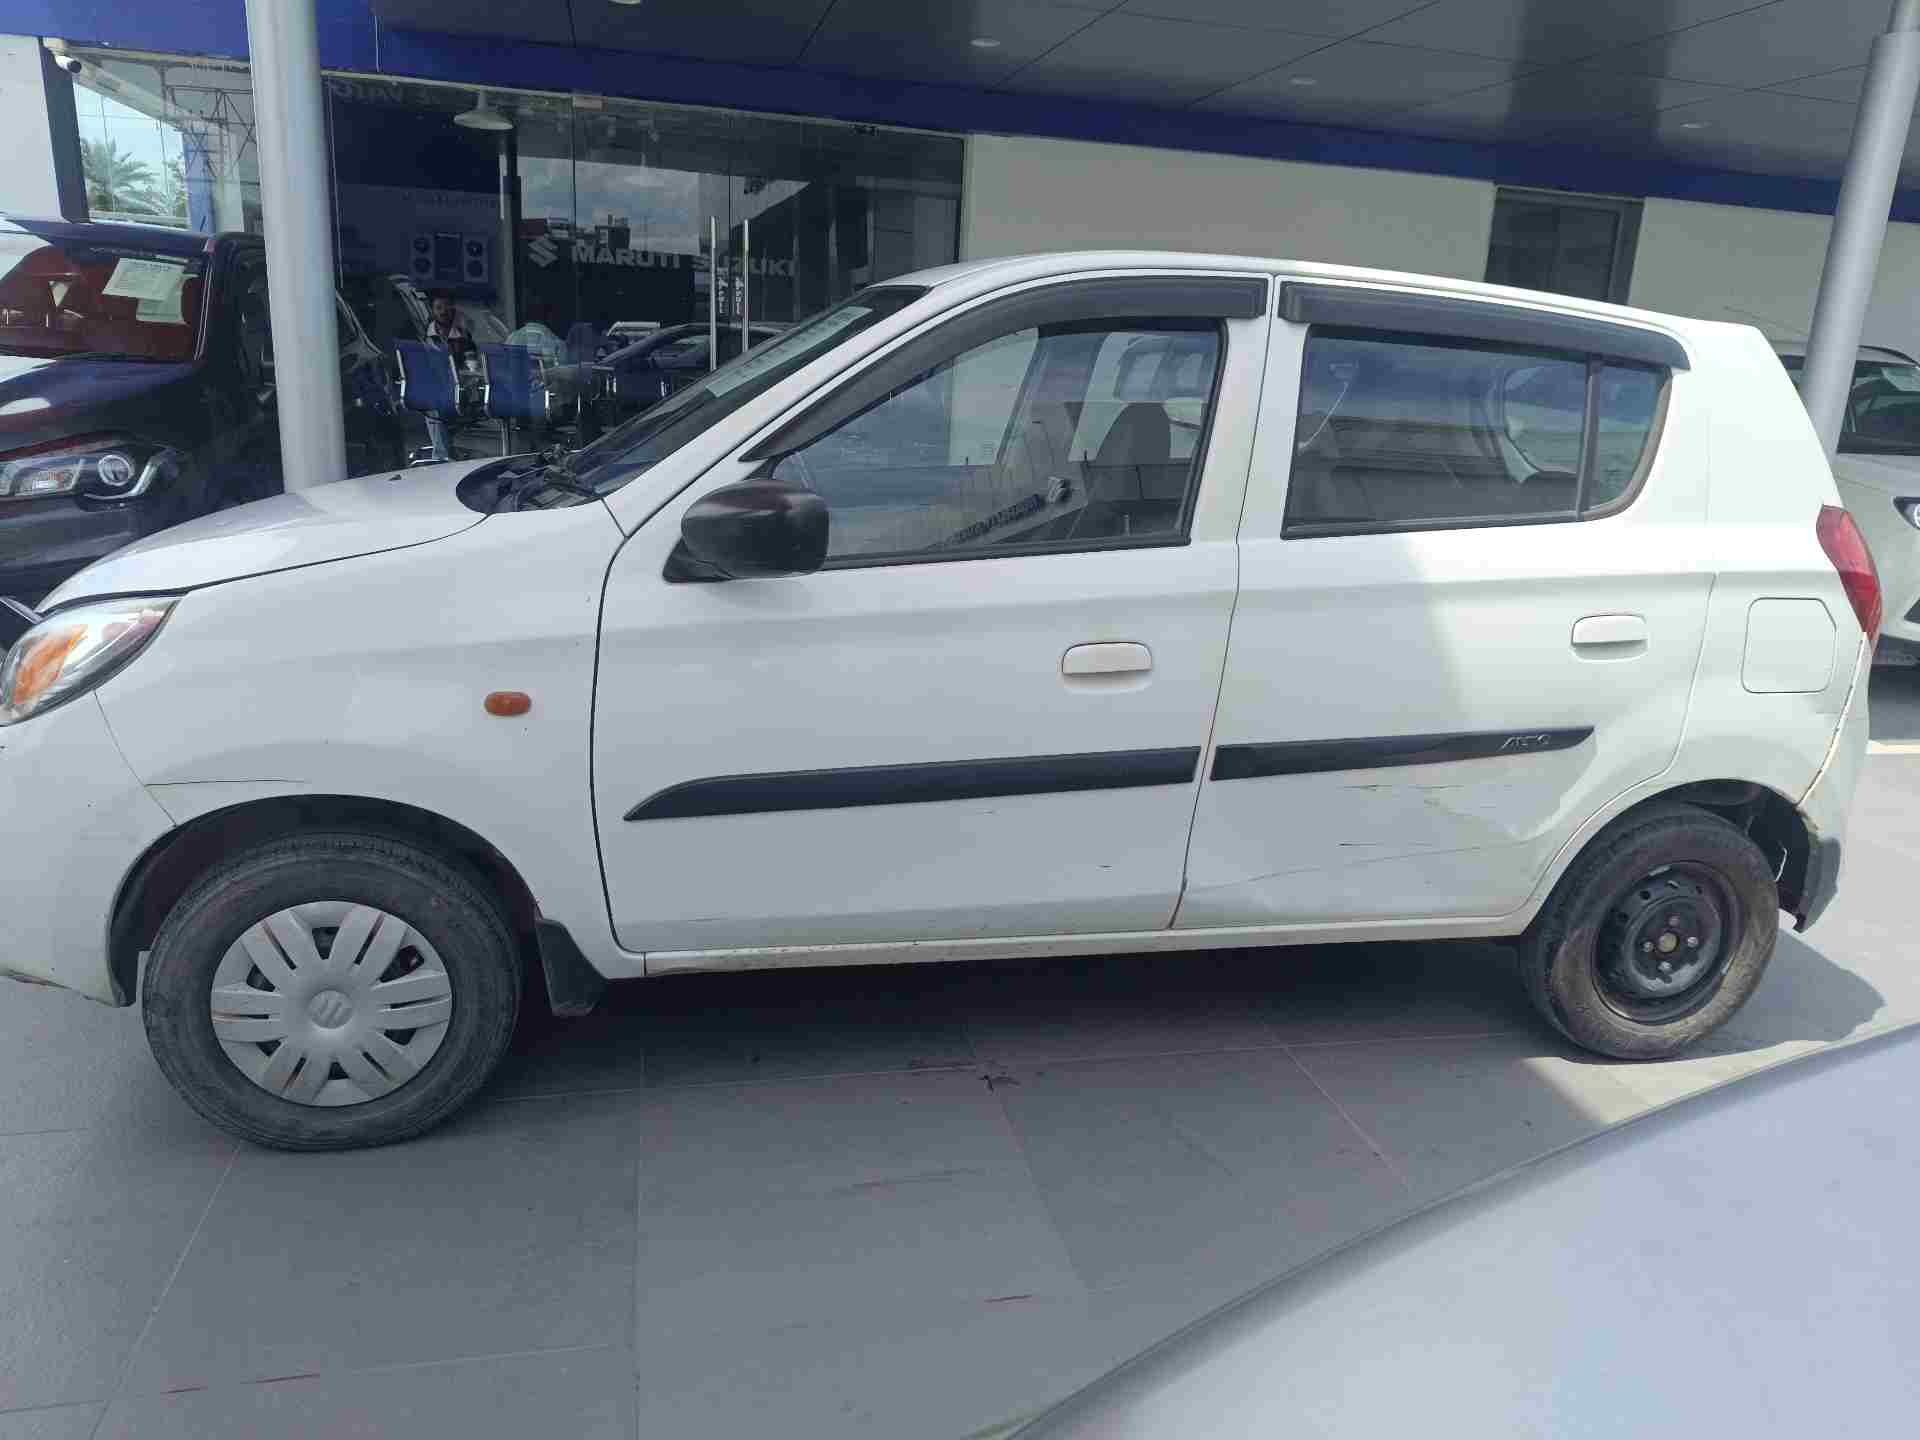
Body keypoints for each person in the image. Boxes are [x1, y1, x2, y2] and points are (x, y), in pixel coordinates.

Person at [422, 294, 474, 461]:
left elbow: (472, 363)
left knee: (437, 406)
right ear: (432, 311)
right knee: (433, 404)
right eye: (438, 308)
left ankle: (443, 456)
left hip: (459, 388)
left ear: (453, 309)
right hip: (434, 389)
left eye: (446, 307)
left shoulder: (463, 335)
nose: (443, 311)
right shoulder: (423, 335)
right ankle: (442, 456)